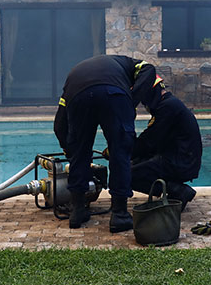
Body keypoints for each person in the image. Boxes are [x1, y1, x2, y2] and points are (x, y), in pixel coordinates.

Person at [53, 54, 156, 232]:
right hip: (114, 94)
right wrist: (131, 100)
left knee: (80, 152)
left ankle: (77, 211)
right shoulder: (134, 64)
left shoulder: (77, 72)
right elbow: (150, 70)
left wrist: (69, 148)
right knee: (120, 153)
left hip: (78, 96)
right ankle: (120, 215)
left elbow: (59, 123)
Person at [130, 78, 201, 210]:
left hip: (180, 161)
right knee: (135, 162)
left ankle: (179, 190)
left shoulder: (167, 107)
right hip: (178, 157)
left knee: (128, 175)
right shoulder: (168, 103)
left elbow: (149, 140)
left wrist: (126, 152)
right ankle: (173, 189)